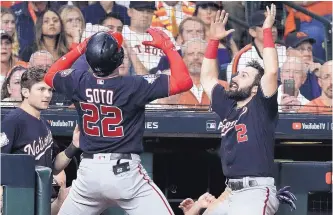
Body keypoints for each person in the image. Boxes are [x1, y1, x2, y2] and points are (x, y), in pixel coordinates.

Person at [44, 28, 193, 214]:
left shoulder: (78, 80)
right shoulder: (133, 85)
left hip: (88, 174)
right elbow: (184, 81)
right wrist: (168, 47)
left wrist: (80, 48)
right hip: (125, 173)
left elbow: (49, 76)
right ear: (119, 59)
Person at [200, 5, 280, 214]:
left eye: (243, 76)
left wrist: (266, 33)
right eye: (236, 74)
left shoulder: (261, 105)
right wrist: (213, 41)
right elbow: (207, 79)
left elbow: (271, 71)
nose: (234, 78)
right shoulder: (228, 105)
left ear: (255, 88)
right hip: (230, 191)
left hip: (256, 190)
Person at [0, 67, 81, 215]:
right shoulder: (14, 121)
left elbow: (54, 166)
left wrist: (74, 145)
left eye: (50, 90)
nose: (47, 95)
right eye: (41, 89)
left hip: (42, 197)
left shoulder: (44, 123)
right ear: (25, 92)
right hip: (20, 197)